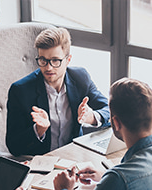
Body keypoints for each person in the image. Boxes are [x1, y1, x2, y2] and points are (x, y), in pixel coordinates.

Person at [6, 27, 110, 156]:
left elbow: (109, 109)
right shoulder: (20, 91)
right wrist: (38, 130)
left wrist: (92, 117)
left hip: (74, 158)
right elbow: (13, 146)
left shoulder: (81, 78)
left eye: (55, 60)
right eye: (43, 60)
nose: (48, 67)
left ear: (68, 60)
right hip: (40, 161)